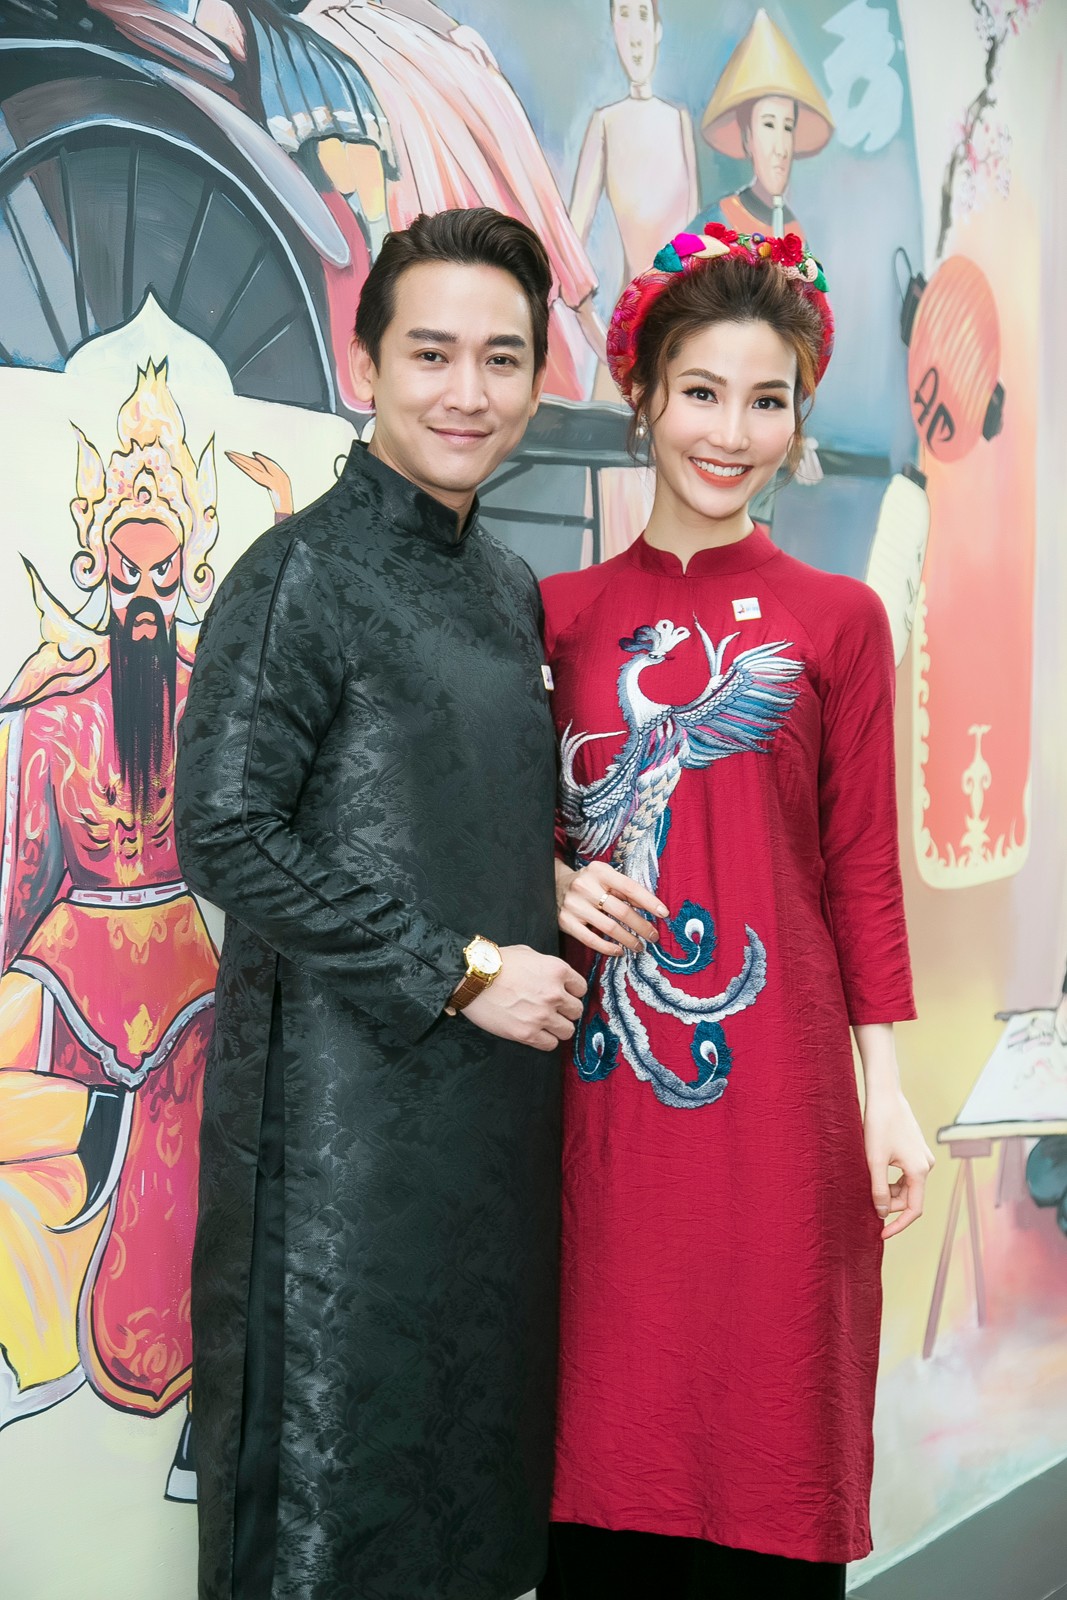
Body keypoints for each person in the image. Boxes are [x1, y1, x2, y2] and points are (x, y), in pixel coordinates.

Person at [174, 207, 586, 1600]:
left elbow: (438, 802)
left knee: (468, 1516)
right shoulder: (298, 573)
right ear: (365, 365)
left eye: (500, 358)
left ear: (535, 378)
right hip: (334, 1150)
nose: (467, 392)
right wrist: (462, 969)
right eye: (430, 353)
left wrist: (554, 880)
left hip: (492, 1136)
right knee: (328, 1521)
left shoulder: (507, 586)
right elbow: (225, 832)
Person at [537, 226, 934, 1599]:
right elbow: (488, 836)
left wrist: (884, 1092)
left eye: (766, 400)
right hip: (594, 1117)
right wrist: (549, 882)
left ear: (796, 418)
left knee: (769, 1466)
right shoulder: (554, 617)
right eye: (700, 391)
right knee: (599, 1472)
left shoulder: (838, 623)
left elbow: (859, 871)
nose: (730, 432)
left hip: (777, 1109)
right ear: (641, 393)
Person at [687, 7, 833, 243]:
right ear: (748, 138)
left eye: (788, 128)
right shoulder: (717, 222)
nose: (780, 148)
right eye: (768, 125)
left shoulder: (794, 232)